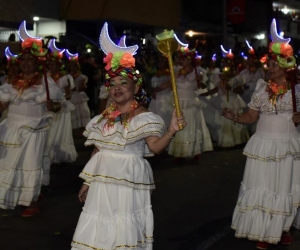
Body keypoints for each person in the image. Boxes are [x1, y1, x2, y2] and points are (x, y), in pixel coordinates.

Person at [71, 22, 187, 250]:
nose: (117, 88)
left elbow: (155, 148)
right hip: (102, 177)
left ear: (135, 88)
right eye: (112, 84)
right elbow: (97, 150)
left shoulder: (144, 117)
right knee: (99, 223)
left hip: (129, 177)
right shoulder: (103, 117)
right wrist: (88, 181)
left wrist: (171, 131)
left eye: (124, 83)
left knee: (123, 225)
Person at [222, 19, 300, 249]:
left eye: (275, 64)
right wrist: (235, 117)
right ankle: (263, 231)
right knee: (263, 186)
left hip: (287, 144)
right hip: (263, 144)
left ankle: (282, 228)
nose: (270, 68)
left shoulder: (297, 90)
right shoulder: (260, 89)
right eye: (269, 64)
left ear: (287, 66)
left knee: (283, 187)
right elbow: (251, 117)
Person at [0, 21, 65, 217]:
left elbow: (59, 104)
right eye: (23, 59)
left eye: (30, 58)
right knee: (10, 163)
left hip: (34, 128)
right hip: (11, 128)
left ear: (37, 61)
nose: (26, 62)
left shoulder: (45, 82)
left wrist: (51, 105)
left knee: (30, 163)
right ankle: (15, 193)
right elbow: (2, 104)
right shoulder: (11, 83)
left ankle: (31, 201)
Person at [159, 47, 213, 161]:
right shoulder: (177, 70)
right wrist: (155, 89)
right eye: (180, 59)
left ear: (189, 60)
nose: (180, 61)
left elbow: (202, 85)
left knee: (192, 126)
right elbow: (169, 83)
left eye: (183, 59)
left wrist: (201, 81)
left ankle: (195, 151)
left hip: (191, 103)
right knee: (179, 126)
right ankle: (180, 152)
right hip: (180, 103)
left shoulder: (198, 70)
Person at [45, 39, 78, 164]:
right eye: (50, 64)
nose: (51, 66)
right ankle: (49, 154)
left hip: (62, 107)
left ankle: (61, 154)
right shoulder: (46, 77)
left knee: (60, 131)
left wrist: (60, 101)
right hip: (51, 107)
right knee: (51, 130)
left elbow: (69, 94)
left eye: (53, 64)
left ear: (59, 65)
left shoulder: (65, 78)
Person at [66, 50, 91, 135]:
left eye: (74, 66)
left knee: (81, 111)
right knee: (73, 113)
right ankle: (73, 130)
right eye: (71, 66)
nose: (73, 67)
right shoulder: (68, 76)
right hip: (71, 96)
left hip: (79, 96)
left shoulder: (81, 76)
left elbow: (84, 87)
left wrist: (76, 88)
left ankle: (83, 129)